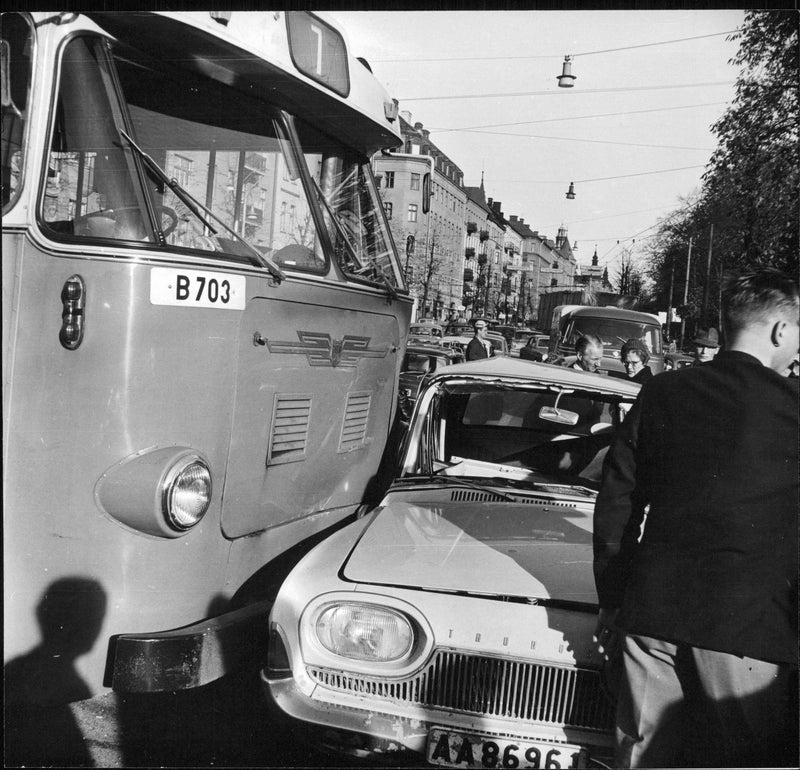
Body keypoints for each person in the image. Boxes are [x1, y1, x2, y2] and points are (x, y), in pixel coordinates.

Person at [593, 267, 799, 768]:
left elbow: (618, 499)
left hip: (652, 613)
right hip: (752, 631)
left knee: (642, 758)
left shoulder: (663, 392)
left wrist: (614, 598)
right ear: (779, 330)